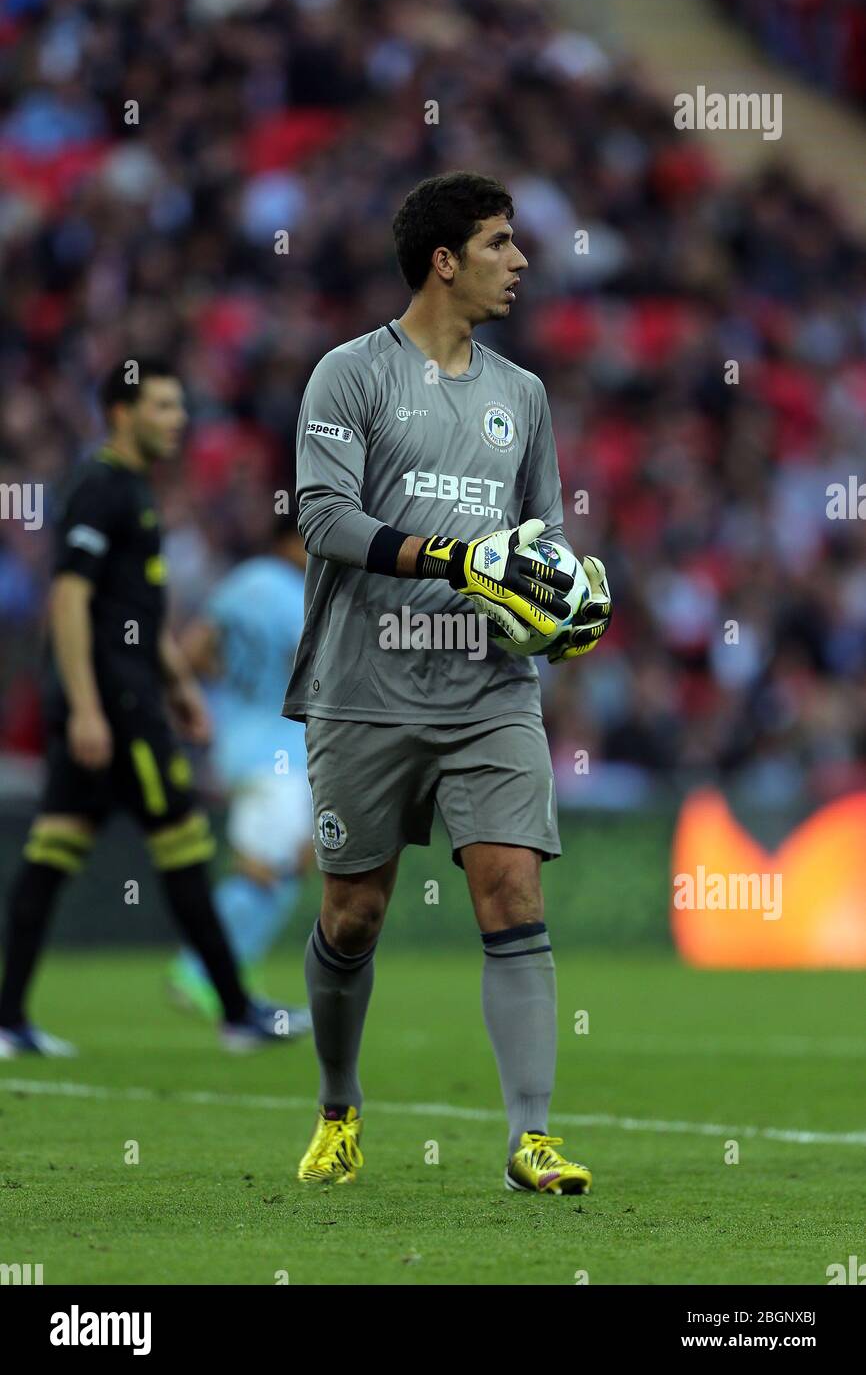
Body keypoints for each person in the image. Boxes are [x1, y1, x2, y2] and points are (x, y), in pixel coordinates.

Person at [284, 172, 611, 1192]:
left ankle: (530, 1138)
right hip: (362, 686)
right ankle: (339, 1107)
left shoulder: (524, 395)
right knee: (354, 915)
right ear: (444, 259)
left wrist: (565, 608)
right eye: (500, 243)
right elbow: (323, 519)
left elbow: (541, 541)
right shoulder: (349, 375)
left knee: (510, 889)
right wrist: (450, 559)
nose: (518, 262)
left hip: (487, 694)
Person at [0, 360, 311, 1058]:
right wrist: (85, 707)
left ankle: (9, 1019)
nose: (179, 421)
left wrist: (179, 687)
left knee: (53, 854)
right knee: (185, 848)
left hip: (133, 694)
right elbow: (71, 599)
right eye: (165, 408)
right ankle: (236, 1011)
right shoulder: (100, 487)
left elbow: (137, 612)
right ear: (121, 413)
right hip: (114, 704)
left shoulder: (133, 492)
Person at [167, 518, 314, 1016]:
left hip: (236, 739)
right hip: (281, 748)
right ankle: (200, 969)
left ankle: (231, 974)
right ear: (289, 541)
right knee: (268, 867)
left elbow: (191, 650)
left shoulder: (239, 583)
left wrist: (235, 685)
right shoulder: (301, 596)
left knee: (288, 863)